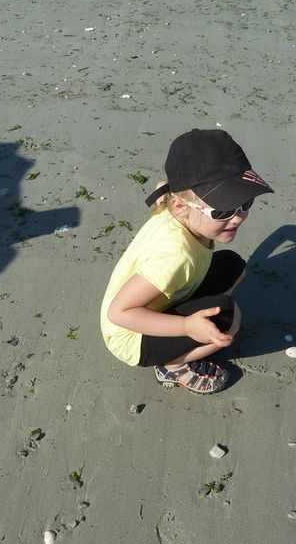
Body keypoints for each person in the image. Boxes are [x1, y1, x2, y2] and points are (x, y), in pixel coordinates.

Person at [100, 129, 273, 394]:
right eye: (223, 210)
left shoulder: (174, 204)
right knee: (229, 320)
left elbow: (163, 187)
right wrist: (186, 326)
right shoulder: (174, 256)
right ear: (180, 206)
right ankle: (172, 366)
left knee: (233, 265)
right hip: (130, 336)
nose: (238, 217)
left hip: (158, 297)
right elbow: (119, 313)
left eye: (245, 202)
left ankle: (187, 324)